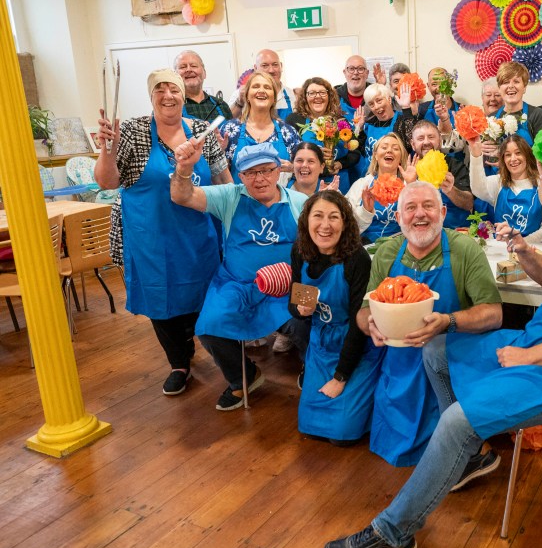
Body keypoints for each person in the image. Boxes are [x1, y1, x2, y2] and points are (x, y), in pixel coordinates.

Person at [323, 151, 542, 548]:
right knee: (436, 347)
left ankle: (393, 534)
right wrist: (522, 250)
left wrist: (526, 356)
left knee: (456, 422)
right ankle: (470, 456)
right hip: (538, 341)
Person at [94, 68, 231, 397]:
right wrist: (106, 149)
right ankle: (179, 362)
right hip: (150, 234)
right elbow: (107, 182)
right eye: (160, 89)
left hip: (198, 234)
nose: (167, 95)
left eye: (174, 89)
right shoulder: (132, 130)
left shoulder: (200, 130)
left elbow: (222, 178)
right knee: (160, 297)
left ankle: (221, 357)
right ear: (151, 95)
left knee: (205, 296)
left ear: (184, 95)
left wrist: (237, 215)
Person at [359, 181, 503, 467]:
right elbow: (364, 311)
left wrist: (448, 321)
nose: (420, 214)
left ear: (443, 212)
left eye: (428, 206)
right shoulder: (387, 252)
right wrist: (371, 326)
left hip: (449, 362)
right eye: (410, 208)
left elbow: (494, 313)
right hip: (398, 364)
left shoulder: (464, 249)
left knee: (449, 451)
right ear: (398, 217)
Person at [170, 142, 309, 411]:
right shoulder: (229, 196)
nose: (260, 179)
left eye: (267, 170)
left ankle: (312, 367)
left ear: (278, 170)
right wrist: (184, 168)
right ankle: (242, 377)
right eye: (251, 173)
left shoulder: (300, 202)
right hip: (236, 283)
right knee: (209, 327)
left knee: (308, 318)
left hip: (290, 284)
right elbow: (181, 196)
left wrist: (300, 282)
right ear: (241, 176)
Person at [289, 190, 383, 444]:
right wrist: (300, 310)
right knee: (310, 428)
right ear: (307, 220)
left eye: (334, 217)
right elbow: (294, 300)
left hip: (356, 346)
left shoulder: (357, 259)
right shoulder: (300, 251)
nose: (325, 225)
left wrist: (340, 377)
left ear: (345, 223)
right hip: (321, 345)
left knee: (342, 435)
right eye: (318, 216)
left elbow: (358, 324)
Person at [468, 134, 542, 242]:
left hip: (532, 251)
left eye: (518, 153)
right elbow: (477, 188)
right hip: (502, 251)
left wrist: (522, 243)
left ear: (527, 156)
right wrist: (476, 154)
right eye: (508, 155)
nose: (513, 159)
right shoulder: (498, 182)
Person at [220, 71, 300, 182]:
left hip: (278, 199)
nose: (261, 91)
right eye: (256, 86)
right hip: (239, 198)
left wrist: (293, 169)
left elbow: (302, 170)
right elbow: (219, 175)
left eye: (267, 87)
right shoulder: (230, 130)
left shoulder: (288, 132)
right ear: (247, 96)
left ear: (274, 99)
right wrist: (219, 153)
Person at [285, 77, 360, 189]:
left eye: (322, 93)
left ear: (329, 97)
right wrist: (312, 152)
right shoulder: (294, 120)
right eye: (312, 93)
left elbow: (355, 152)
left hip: (338, 182)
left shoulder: (341, 121)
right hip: (306, 185)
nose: (318, 96)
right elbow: (289, 154)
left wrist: (340, 164)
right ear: (305, 97)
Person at [346, 132, 416, 242]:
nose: (389, 150)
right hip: (364, 248)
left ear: (400, 157)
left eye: (395, 148)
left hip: (400, 247)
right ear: (375, 155)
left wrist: (412, 186)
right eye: (384, 147)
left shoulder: (409, 185)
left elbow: (419, 221)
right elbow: (346, 227)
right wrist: (366, 211)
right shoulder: (361, 185)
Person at [409, 120, 473, 229]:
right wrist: (409, 184)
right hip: (422, 232)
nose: (426, 142)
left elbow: (469, 204)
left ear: (439, 141)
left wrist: (450, 190)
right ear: (413, 144)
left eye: (431, 137)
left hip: (456, 231)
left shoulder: (455, 165)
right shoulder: (408, 169)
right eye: (420, 138)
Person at [353, 82, 414, 180]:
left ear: (389, 99)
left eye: (379, 101)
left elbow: (412, 142)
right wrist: (358, 129)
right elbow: (357, 149)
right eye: (371, 104)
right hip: (370, 178)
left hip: (397, 178)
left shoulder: (403, 121)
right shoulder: (368, 124)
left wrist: (406, 108)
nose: (376, 107)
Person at [229, 49, 295, 120]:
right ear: (255, 68)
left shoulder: (292, 94)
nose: (271, 70)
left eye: (275, 65)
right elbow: (227, 122)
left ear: (281, 66)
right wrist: (240, 103)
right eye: (265, 65)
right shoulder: (240, 94)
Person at [494, 61, 542, 146]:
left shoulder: (537, 115)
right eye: (506, 82)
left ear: (524, 87)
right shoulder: (491, 118)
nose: (511, 86)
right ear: (499, 88)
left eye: (516, 81)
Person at [174, 50, 232, 122]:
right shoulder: (171, 107)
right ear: (175, 76)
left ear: (204, 73)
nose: (188, 69)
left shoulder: (222, 105)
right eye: (183, 67)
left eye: (194, 66)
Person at [418, 67, 457, 137]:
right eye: (434, 84)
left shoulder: (462, 109)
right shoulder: (421, 109)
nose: (439, 88)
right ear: (428, 86)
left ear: (450, 84)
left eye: (443, 84)